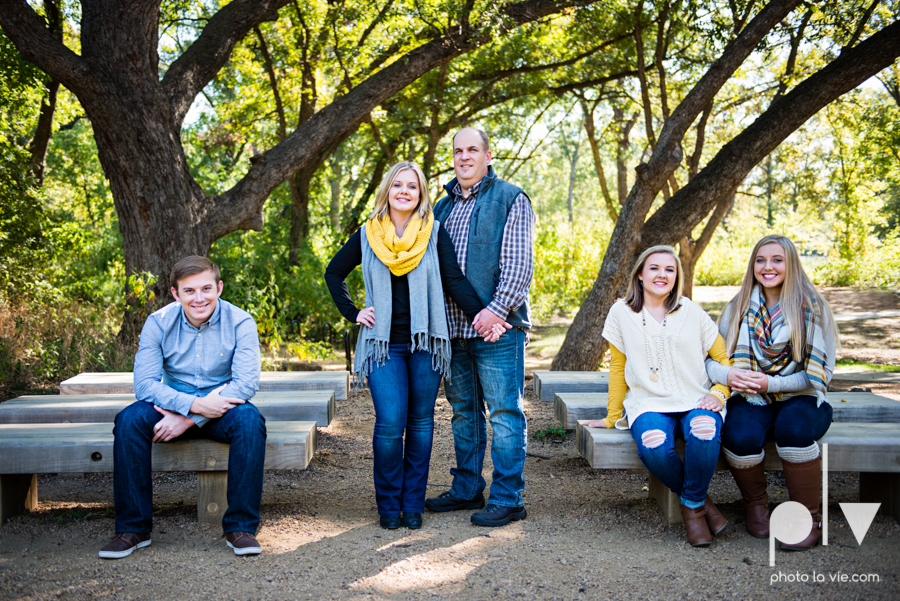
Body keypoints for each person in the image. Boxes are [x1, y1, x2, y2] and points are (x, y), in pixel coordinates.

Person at [325, 161, 505, 531]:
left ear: (421, 194)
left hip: (426, 343)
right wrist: (354, 312)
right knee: (390, 424)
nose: (404, 192)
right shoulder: (368, 234)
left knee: (421, 424)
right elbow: (334, 272)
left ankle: (412, 505)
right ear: (387, 191)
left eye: (412, 186)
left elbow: (454, 281)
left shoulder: (433, 232)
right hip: (383, 345)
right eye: (398, 185)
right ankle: (388, 505)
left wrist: (485, 316)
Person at [99, 256, 266, 559]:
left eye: (206, 288)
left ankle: (240, 528)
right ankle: (133, 529)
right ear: (176, 294)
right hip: (171, 404)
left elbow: (245, 384)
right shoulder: (158, 323)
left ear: (219, 288)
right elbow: (146, 386)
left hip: (222, 407)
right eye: (189, 291)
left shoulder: (241, 321)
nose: (199, 298)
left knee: (251, 422)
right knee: (128, 420)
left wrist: (189, 418)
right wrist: (190, 406)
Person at [584, 245, 733, 547]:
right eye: (654, 268)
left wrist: (720, 393)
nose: (662, 274)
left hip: (695, 398)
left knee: (705, 431)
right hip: (647, 402)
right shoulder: (621, 312)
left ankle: (691, 508)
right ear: (640, 274)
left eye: (670, 269)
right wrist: (613, 417)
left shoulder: (691, 311)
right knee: (653, 446)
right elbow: (617, 369)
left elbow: (723, 358)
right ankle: (702, 503)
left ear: (677, 276)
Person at [424, 127, 535, 527]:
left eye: (472, 149)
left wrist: (495, 311)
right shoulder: (439, 209)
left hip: (499, 330)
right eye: (457, 151)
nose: (464, 156)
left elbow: (519, 265)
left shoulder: (510, 198)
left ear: (488, 155)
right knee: (463, 413)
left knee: (505, 413)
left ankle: (509, 497)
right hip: (453, 332)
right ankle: (468, 487)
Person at [707, 235, 837, 550]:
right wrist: (730, 374)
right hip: (751, 396)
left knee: (792, 428)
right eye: (760, 260)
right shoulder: (736, 308)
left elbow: (820, 374)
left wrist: (772, 383)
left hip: (800, 397)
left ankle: (809, 519)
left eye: (777, 260)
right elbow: (711, 361)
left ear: (790, 263)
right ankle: (756, 507)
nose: (768, 267)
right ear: (753, 265)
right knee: (738, 434)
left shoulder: (812, 308)